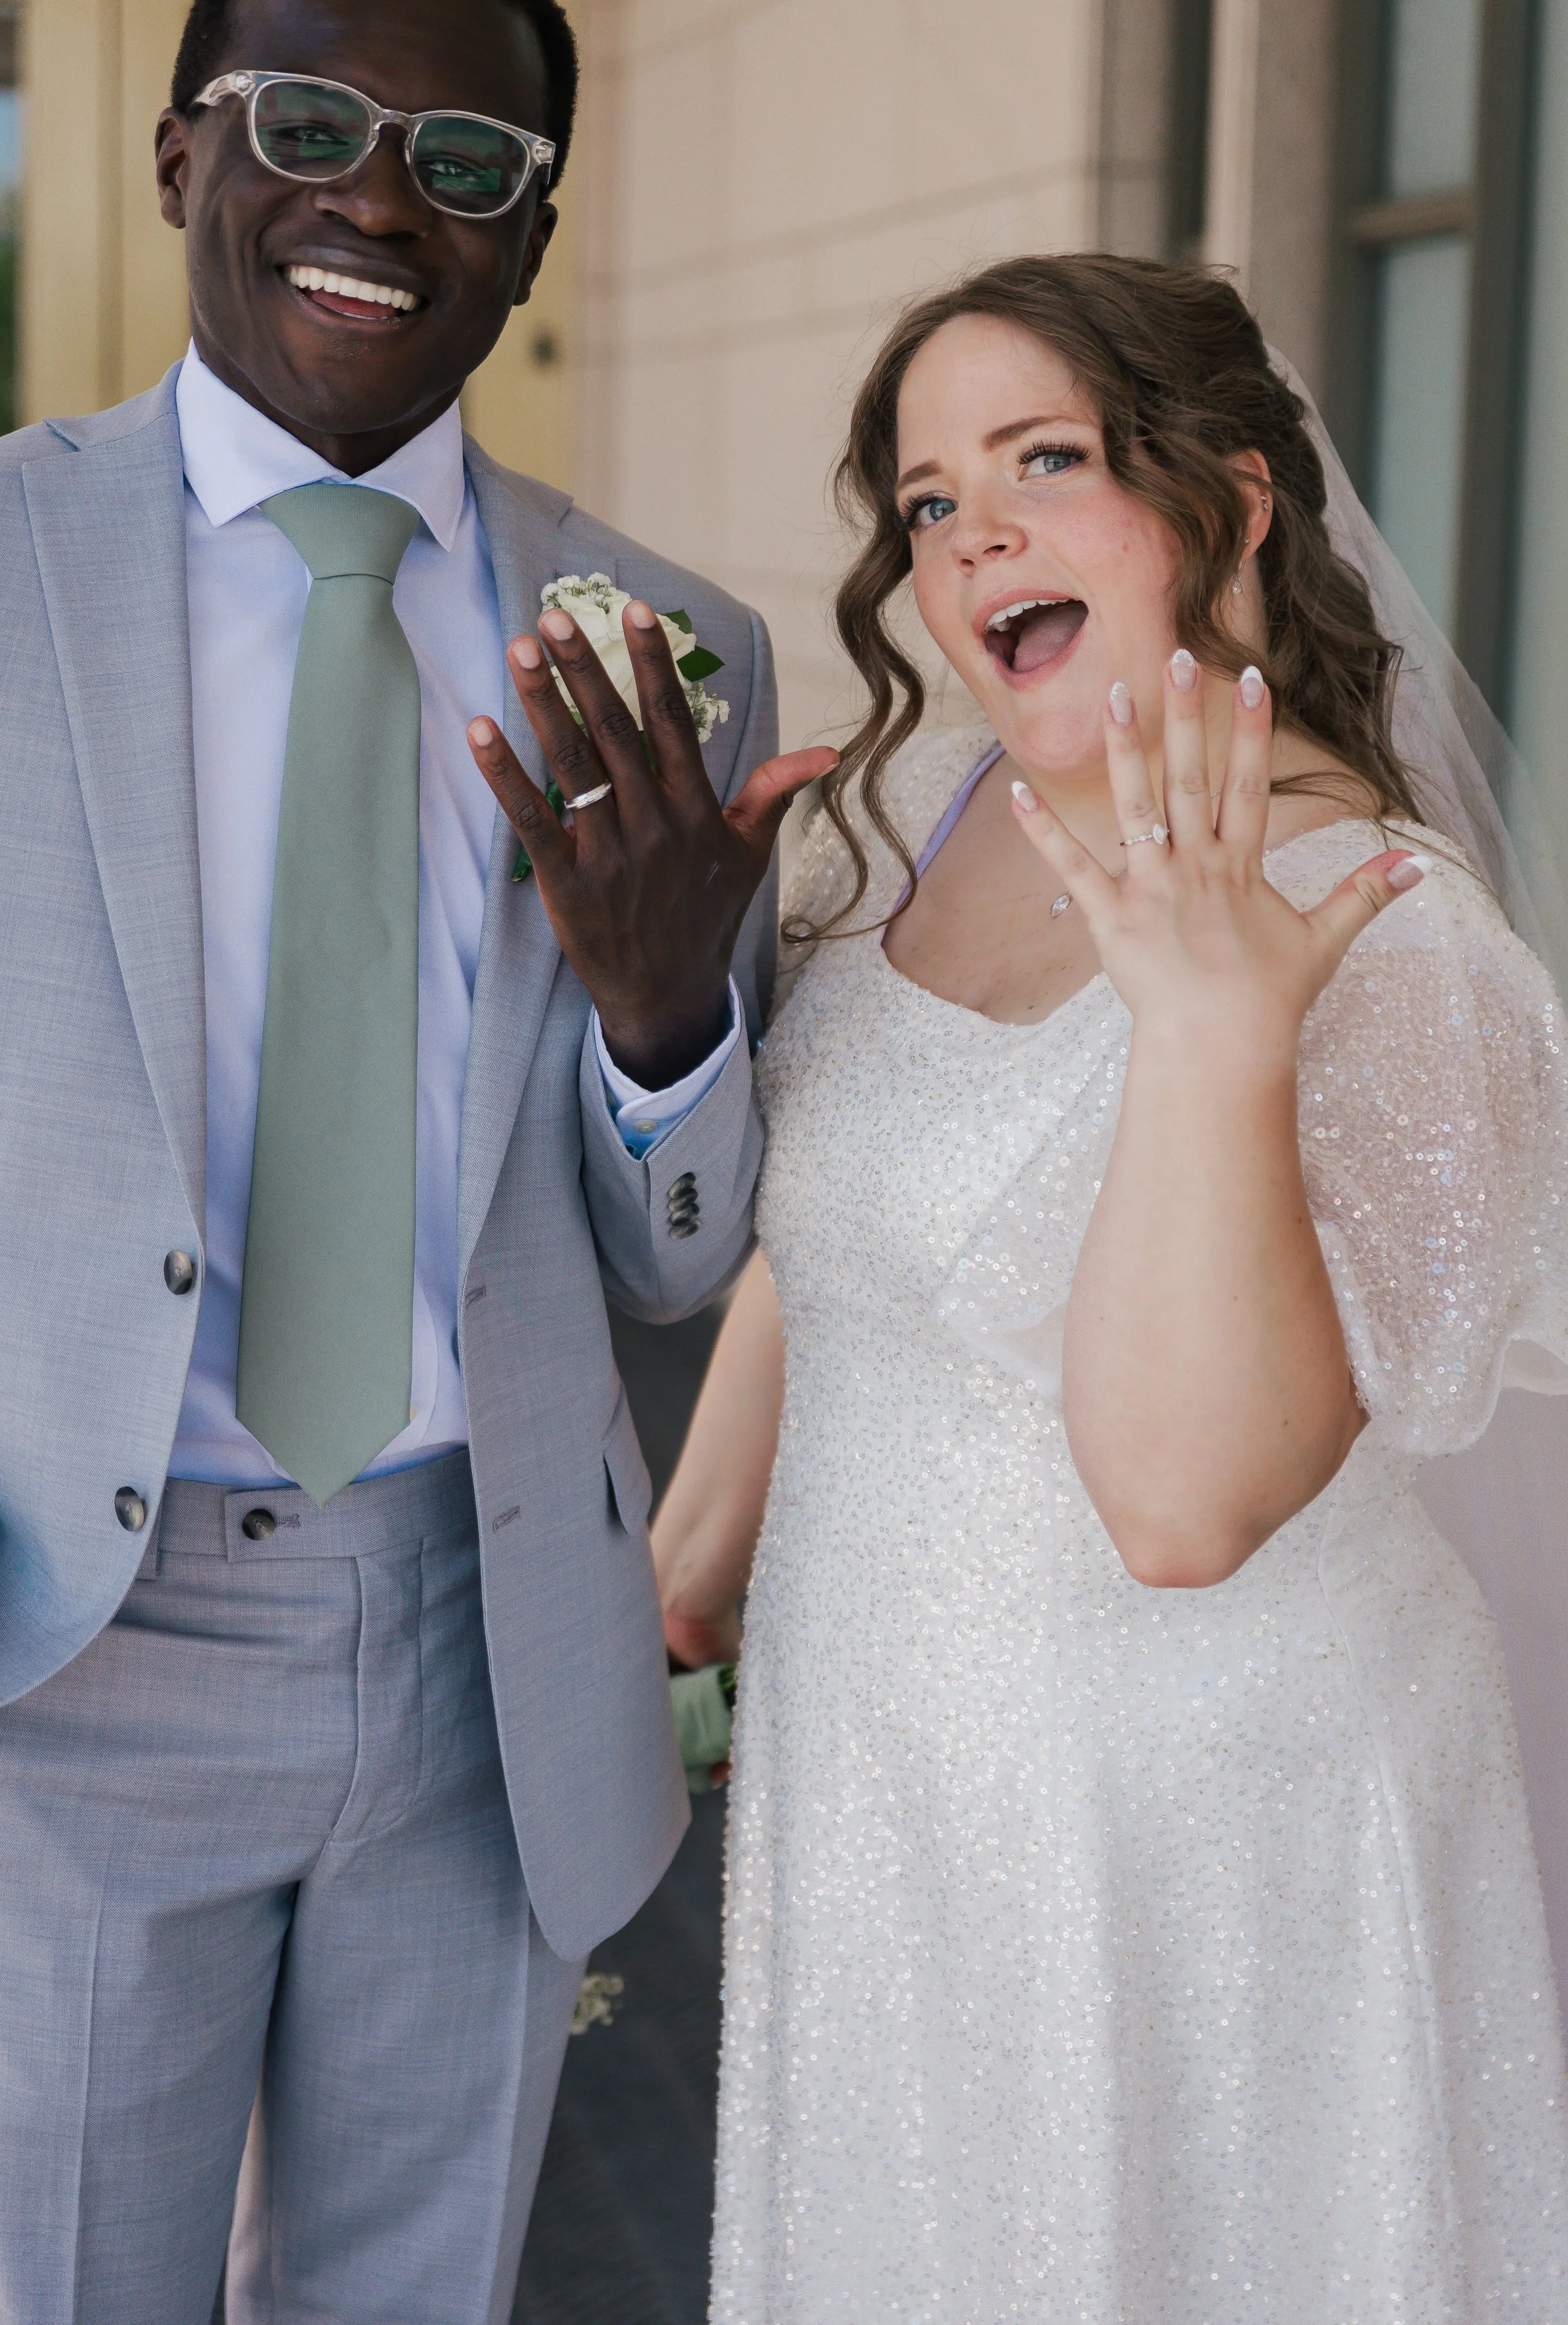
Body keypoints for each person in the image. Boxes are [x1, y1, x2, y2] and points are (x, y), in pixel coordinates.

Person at [0, 0, 832, 2325]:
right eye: (308, 122)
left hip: (479, 1646)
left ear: (531, 237)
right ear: (179, 158)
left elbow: (675, 1256)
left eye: (465, 158)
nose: (379, 198)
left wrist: (665, 1022)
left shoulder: (673, 651)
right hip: (56, 1650)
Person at [651, 254, 1568, 2319]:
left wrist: (1209, 1043)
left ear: (1230, 502)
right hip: (889, 1790)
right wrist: (685, 1557)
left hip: (1187, 1850)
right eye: (925, 499)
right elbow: (849, 1223)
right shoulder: (929, 806)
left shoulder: (1389, 952)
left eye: (1042, 462)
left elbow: (1184, 1502)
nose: (971, 532)